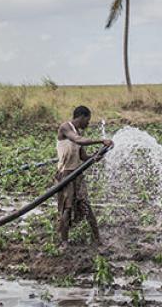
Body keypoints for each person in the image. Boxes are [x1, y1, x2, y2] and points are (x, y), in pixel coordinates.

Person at [55, 105, 113, 247]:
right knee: (67, 208)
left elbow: (83, 156)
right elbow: (78, 140)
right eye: (88, 120)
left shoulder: (78, 132)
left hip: (77, 174)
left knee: (86, 205)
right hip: (65, 175)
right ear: (81, 117)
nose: (88, 123)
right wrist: (101, 140)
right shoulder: (65, 128)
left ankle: (97, 239)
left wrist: (96, 156)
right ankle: (64, 242)